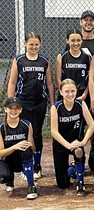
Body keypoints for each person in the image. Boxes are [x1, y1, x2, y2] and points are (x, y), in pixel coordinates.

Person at [7, 32, 55, 180]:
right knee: (24, 133)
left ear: (40, 45)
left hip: (39, 103)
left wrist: (52, 104)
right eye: (31, 44)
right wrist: (11, 103)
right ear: (25, 44)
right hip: (23, 103)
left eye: (36, 44)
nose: (34, 47)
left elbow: (49, 83)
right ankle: (25, 164)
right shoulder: (19, 60)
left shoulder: (44, 61)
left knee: (37, 134)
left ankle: (37, 165)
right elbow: (12, 82)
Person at [50, 79, 94, 196]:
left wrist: (83, 142)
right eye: (67, 91)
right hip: (61, 143)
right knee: (63, 184)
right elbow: (54, 132)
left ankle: (80, 183)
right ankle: (73, 168)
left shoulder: (81, 104)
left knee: (79, 152)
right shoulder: (56, 107)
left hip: (76, 143)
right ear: (61, 92)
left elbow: (92, 125)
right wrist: (68, 145)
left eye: (73, 91)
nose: (70, 94)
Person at [0, 97, 37, 200]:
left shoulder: (26, 124)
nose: (14, 111)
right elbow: (0, 153)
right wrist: (15, 146)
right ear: (5, 109)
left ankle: (31, 185)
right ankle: (9, 179)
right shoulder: (1, 127)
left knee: (27, 149)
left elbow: (33, 149)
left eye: (17, 108)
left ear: (21, 110)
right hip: (7, 159)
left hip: (21, 159)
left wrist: (28, 145)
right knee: (2, 176)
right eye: (10, 108)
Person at [55, 28, 91, 102]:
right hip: (66, 96)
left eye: (78, 40)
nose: (76, 43)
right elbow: (58, 79)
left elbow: (90, 79)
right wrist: (65, 95)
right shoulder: (61, 56)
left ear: (82, 40)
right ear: (67, 41)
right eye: (73, 40)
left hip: (81, 95)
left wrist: (84, 95)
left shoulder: (87, 57)